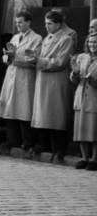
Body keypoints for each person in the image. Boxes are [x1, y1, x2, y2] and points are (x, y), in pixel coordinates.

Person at [30, 10, 74, 163]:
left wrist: (40, 61)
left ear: (58, 24)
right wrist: (34, 58)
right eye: (45, 23)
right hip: (43, 79)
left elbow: (61, 62)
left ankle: (59, 148)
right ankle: (44, 145)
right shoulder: (46, 38)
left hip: (56, 81)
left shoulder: (66, 39)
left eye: (50, 23)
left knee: (55, 113)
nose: (46, 26)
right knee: (43, 112)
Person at [0, 11, 42, 152]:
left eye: (21, 22)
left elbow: (33, 60)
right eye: (16, 23)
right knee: (10, 108)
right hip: (11, 75)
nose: (18, 25)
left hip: (25, 77)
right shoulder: (15, 37)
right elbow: (7, 58)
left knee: (24, 108)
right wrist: (6, 57)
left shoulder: (37, 38)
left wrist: (15, 57)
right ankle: (12, 140)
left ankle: (27, 141)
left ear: (28, 22)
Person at [70, 32, 97, 170]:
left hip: (94, 97)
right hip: (81, 97)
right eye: (90, 42)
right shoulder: (82, 57)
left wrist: (91, 79)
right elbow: (74, 80)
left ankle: (94, 159)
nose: (93, 44)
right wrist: (74, 73)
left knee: (94, 129)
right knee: (81, 129)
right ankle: (84, 158)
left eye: (95, 42)